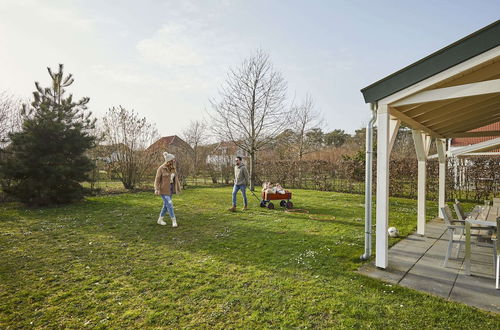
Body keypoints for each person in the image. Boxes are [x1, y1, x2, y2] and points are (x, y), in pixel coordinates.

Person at [154, 152, 181, 227]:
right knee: (170, 204)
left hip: (171, 189)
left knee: (166, 205)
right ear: (169, 161)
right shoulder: (161, 168)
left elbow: (176, 179)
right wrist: (156, 189)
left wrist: (178, 188)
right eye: (173, 160)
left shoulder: (173, 168)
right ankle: (174, 220)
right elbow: (157, 179)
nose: (174, 161)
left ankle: (160, 219)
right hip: (163, 190)